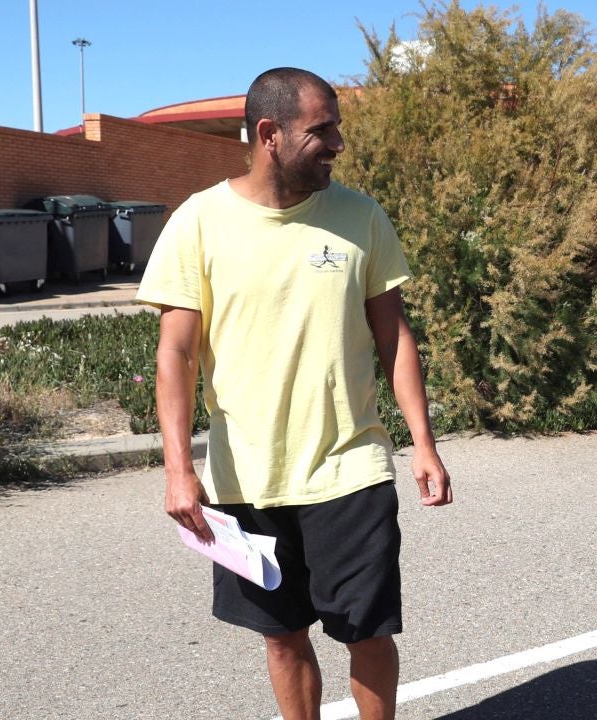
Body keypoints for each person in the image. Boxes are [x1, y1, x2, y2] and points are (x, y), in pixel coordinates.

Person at [137, 67, 452, 720]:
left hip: (350, 468)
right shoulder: (199, 222)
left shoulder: (360, 217)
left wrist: (423, 442)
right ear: (269, 134)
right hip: (245, 479)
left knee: (367, 632)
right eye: (321, 130)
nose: (338, 143)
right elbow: (176, 354)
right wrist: (178, 470)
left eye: (337, 127)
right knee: (281, 637)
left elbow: (393, 336)